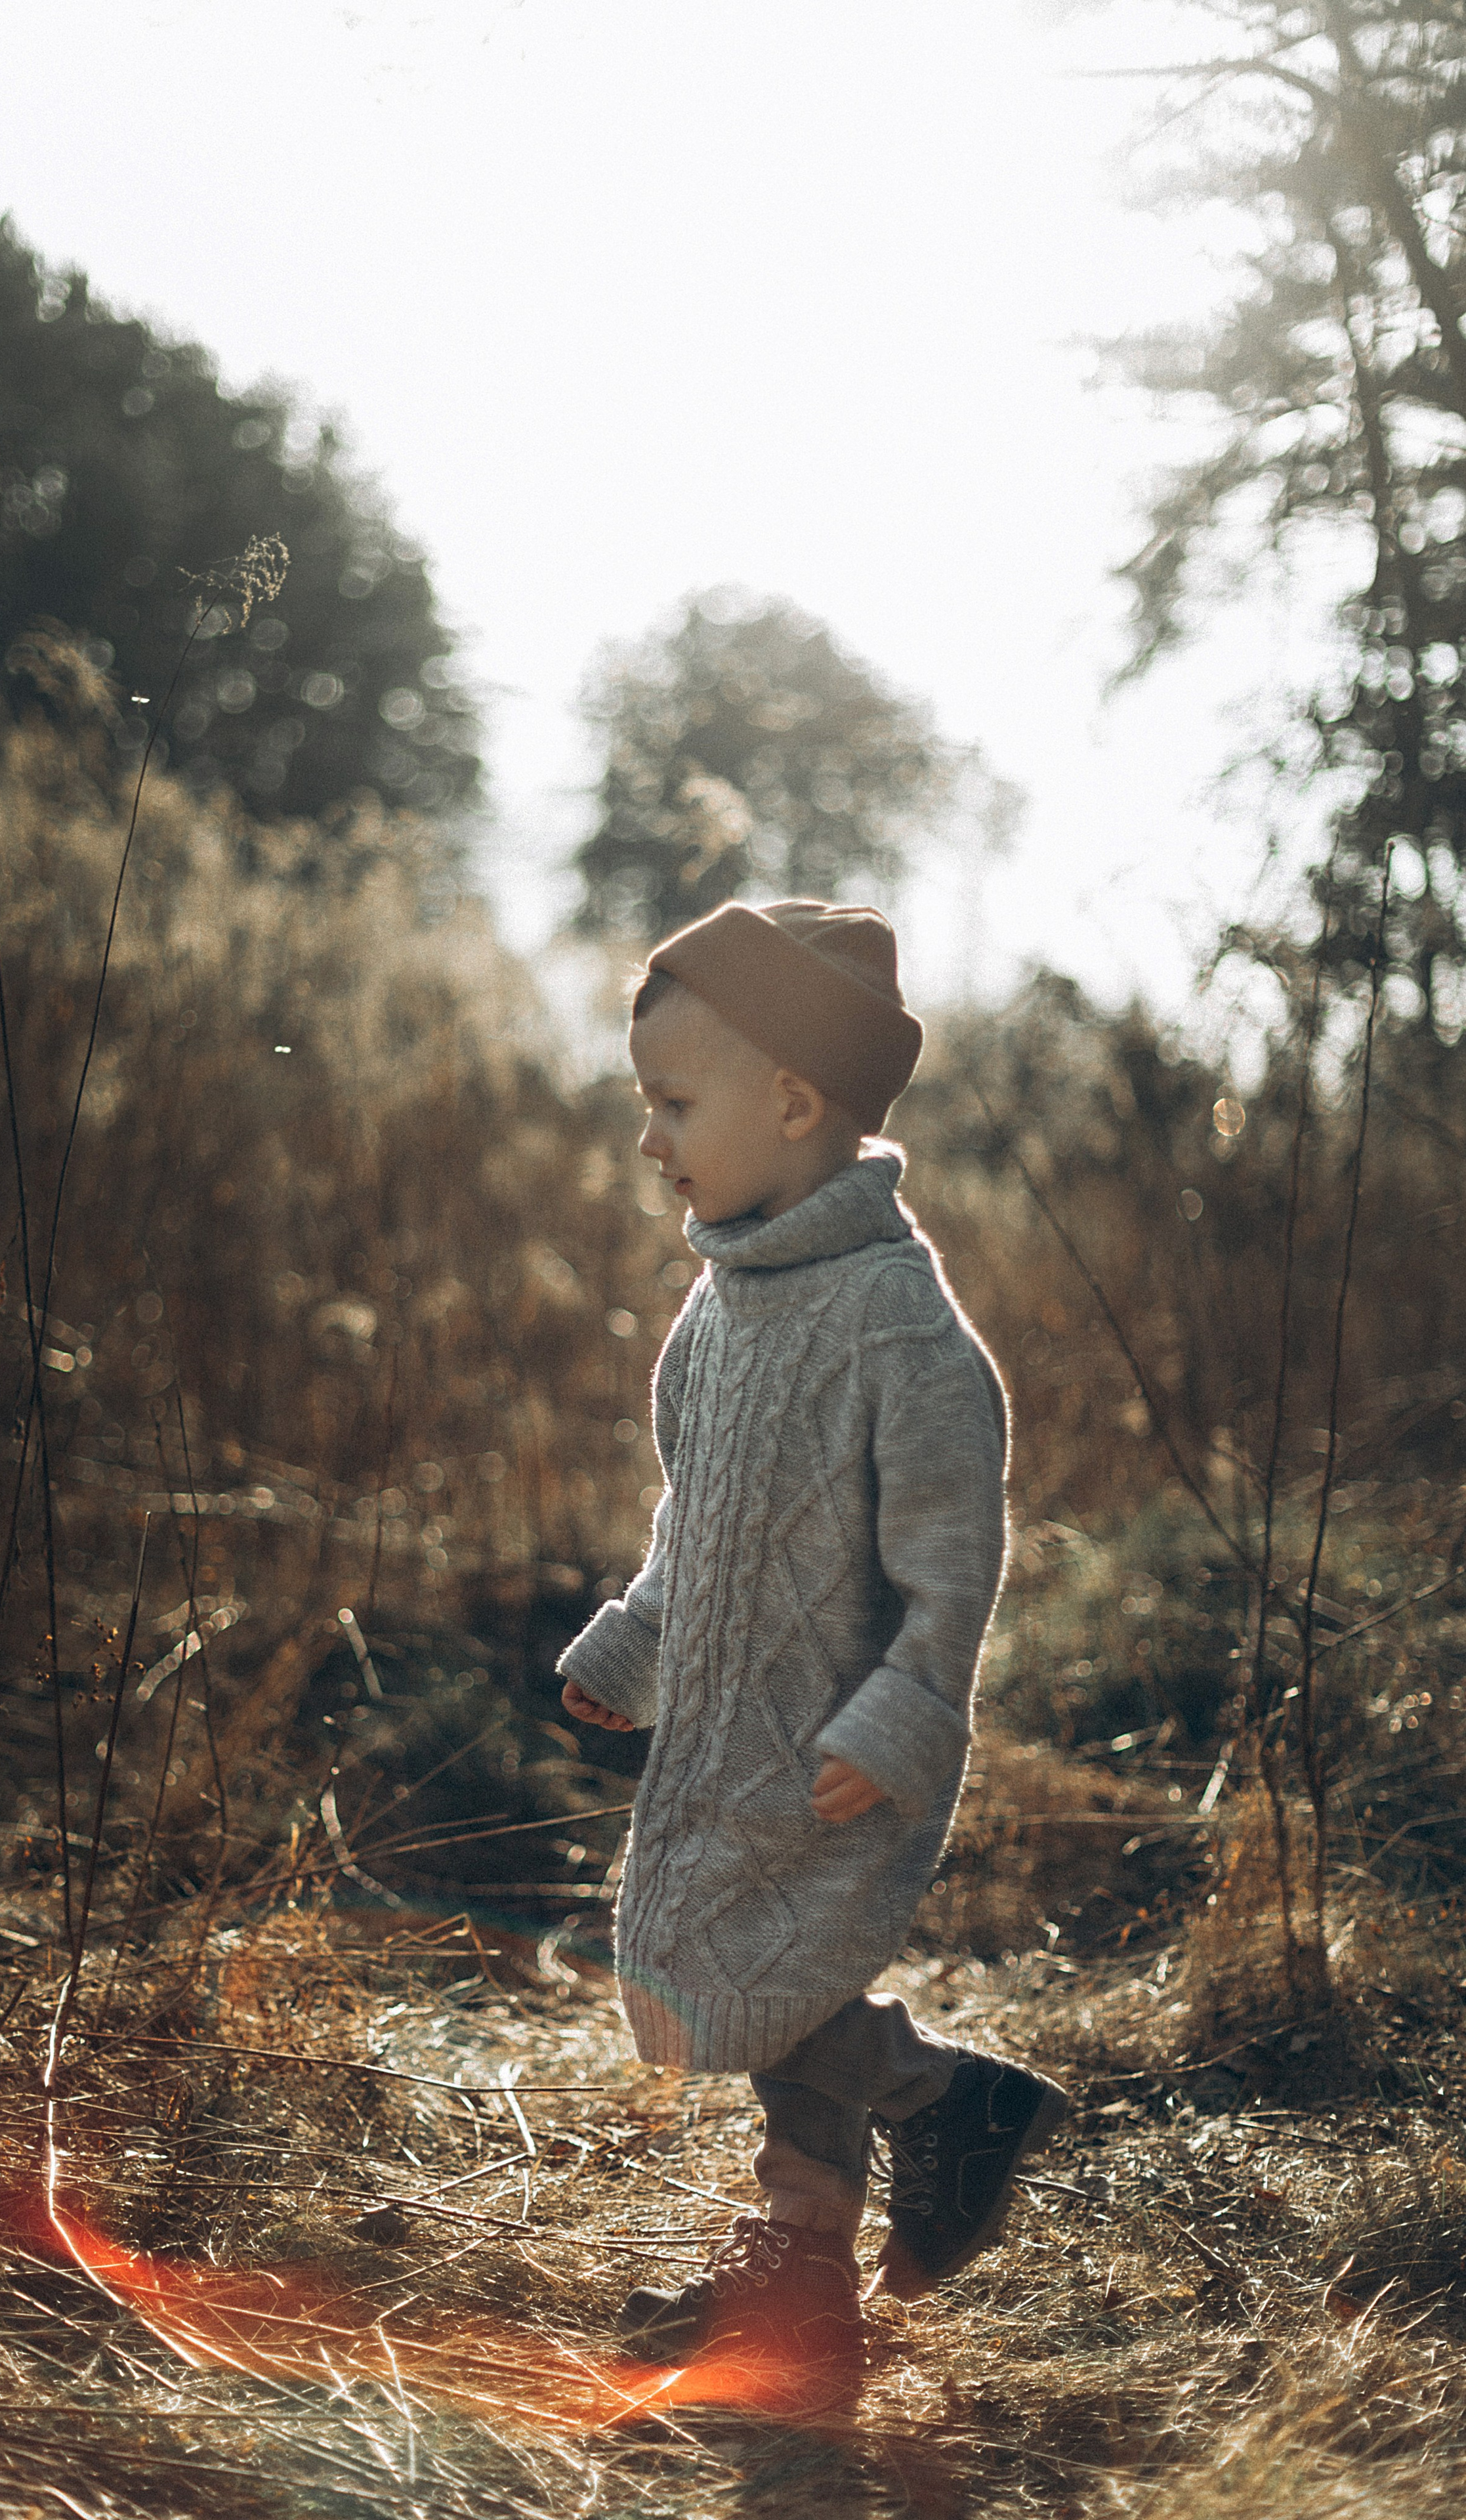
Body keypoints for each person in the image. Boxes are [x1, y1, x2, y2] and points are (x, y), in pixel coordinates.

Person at [556, 898, 1065, 2374]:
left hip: (838, 1738)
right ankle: (794, 2281)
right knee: (772, 1974)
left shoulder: (895, 1323)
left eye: (671, 1102)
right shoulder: (715, 1317)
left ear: (789, 1100)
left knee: (750, 1981)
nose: (649, 1139)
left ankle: (948, 2101)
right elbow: (694, 1524)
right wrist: (634, 1644)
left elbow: (951, 1560)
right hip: (725, 1726)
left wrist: (903, 1716)